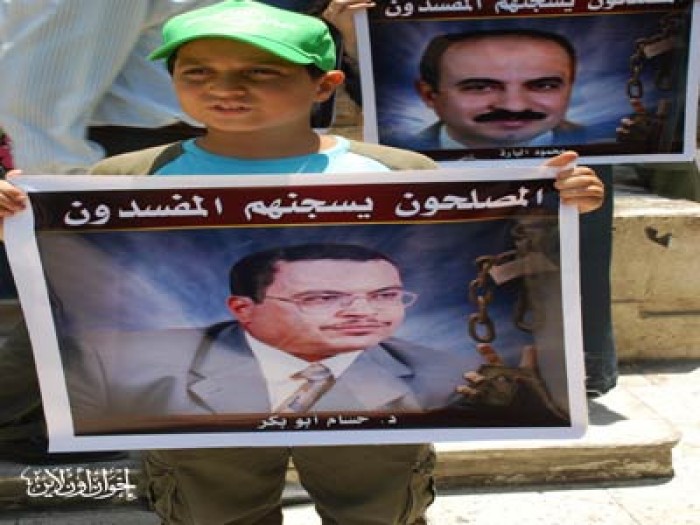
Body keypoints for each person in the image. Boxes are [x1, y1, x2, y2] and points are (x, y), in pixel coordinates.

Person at [0, 1, 604, 522]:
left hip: (376, 416)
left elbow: (494, 244)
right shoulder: (127, 178)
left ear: (324, 85)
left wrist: (561, 203)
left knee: (375, 510)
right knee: (215, 510)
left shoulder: (398, 173)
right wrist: (18, 222)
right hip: (201, 420)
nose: (225, 88)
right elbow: (78, 279)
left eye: (259, 72)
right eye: (197, 72)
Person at [66, 243, 472, 427]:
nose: (364, 312)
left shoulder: (447, 374)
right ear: (243, 309)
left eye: (384, 295)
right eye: (323, 298)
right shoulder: (118, 366)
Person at [403, 28, 586, 151]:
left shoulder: (595, 143)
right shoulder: (400, 157)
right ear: (429, 95)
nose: (514, 106)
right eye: (480, 87)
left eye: (543, 86)